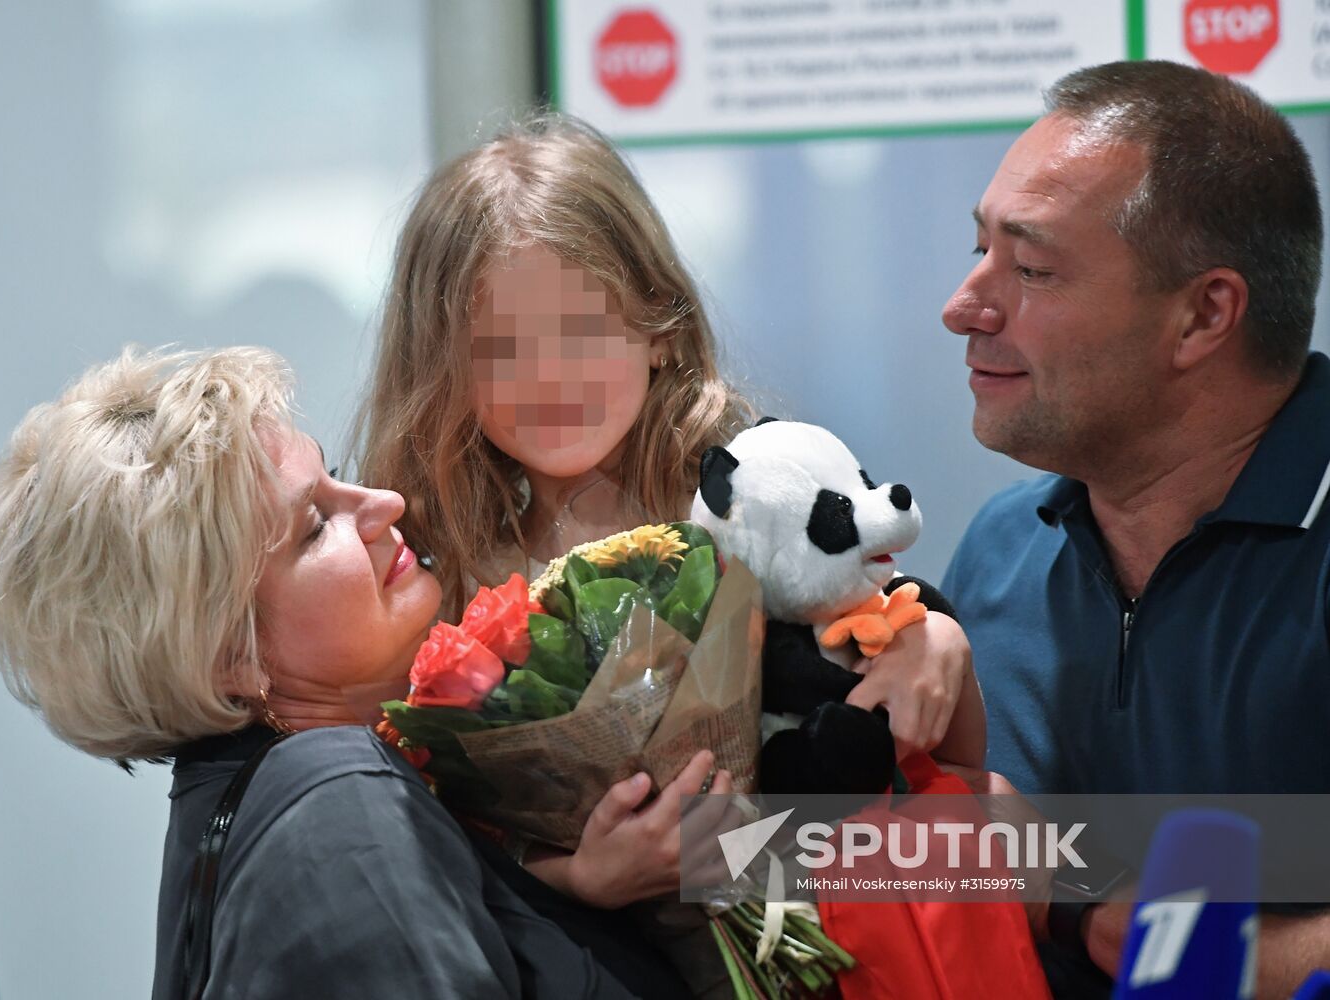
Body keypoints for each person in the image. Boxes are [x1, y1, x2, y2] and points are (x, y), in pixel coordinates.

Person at [0, 345, 707, 999]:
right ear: (231, 656)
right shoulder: (338, 806)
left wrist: (590, 883)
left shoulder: (299, 798)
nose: (386, 503)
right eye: (316, 525)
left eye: (338, 478)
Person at [355, 112, 986, 777]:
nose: (546, 377)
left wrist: (935, 640)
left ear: (656, 323)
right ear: (439, 366)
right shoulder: (429, 572)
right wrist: (575, 874)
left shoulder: (754, 503)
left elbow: (951, 761)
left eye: (579, 332)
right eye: (499, 349)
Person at [940, 59, 1330, 996]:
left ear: (1203, 315)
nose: (962, 307)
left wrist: (1120, 921)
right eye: (979, 250)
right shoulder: (998, 548)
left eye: (1031, 269)